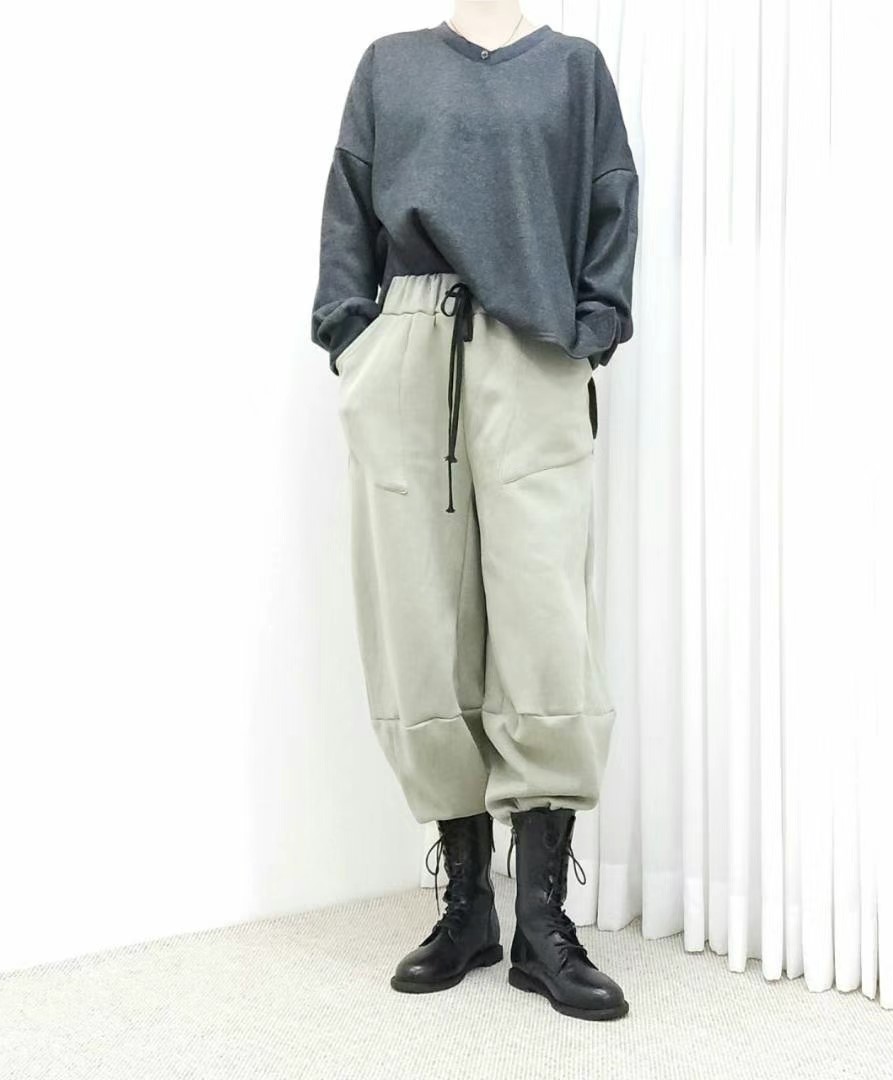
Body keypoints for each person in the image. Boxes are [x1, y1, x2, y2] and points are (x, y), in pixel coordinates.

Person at [309, 4, 639, 1022]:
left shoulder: (574, 69)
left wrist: (590, 330)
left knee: (545, 621)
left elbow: (610, 205)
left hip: (535, 351)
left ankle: (542, 920)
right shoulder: (389, 65)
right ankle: (467, 906)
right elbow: (348, 212)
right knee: (419, 621)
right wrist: (354, 340)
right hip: (408, 343)